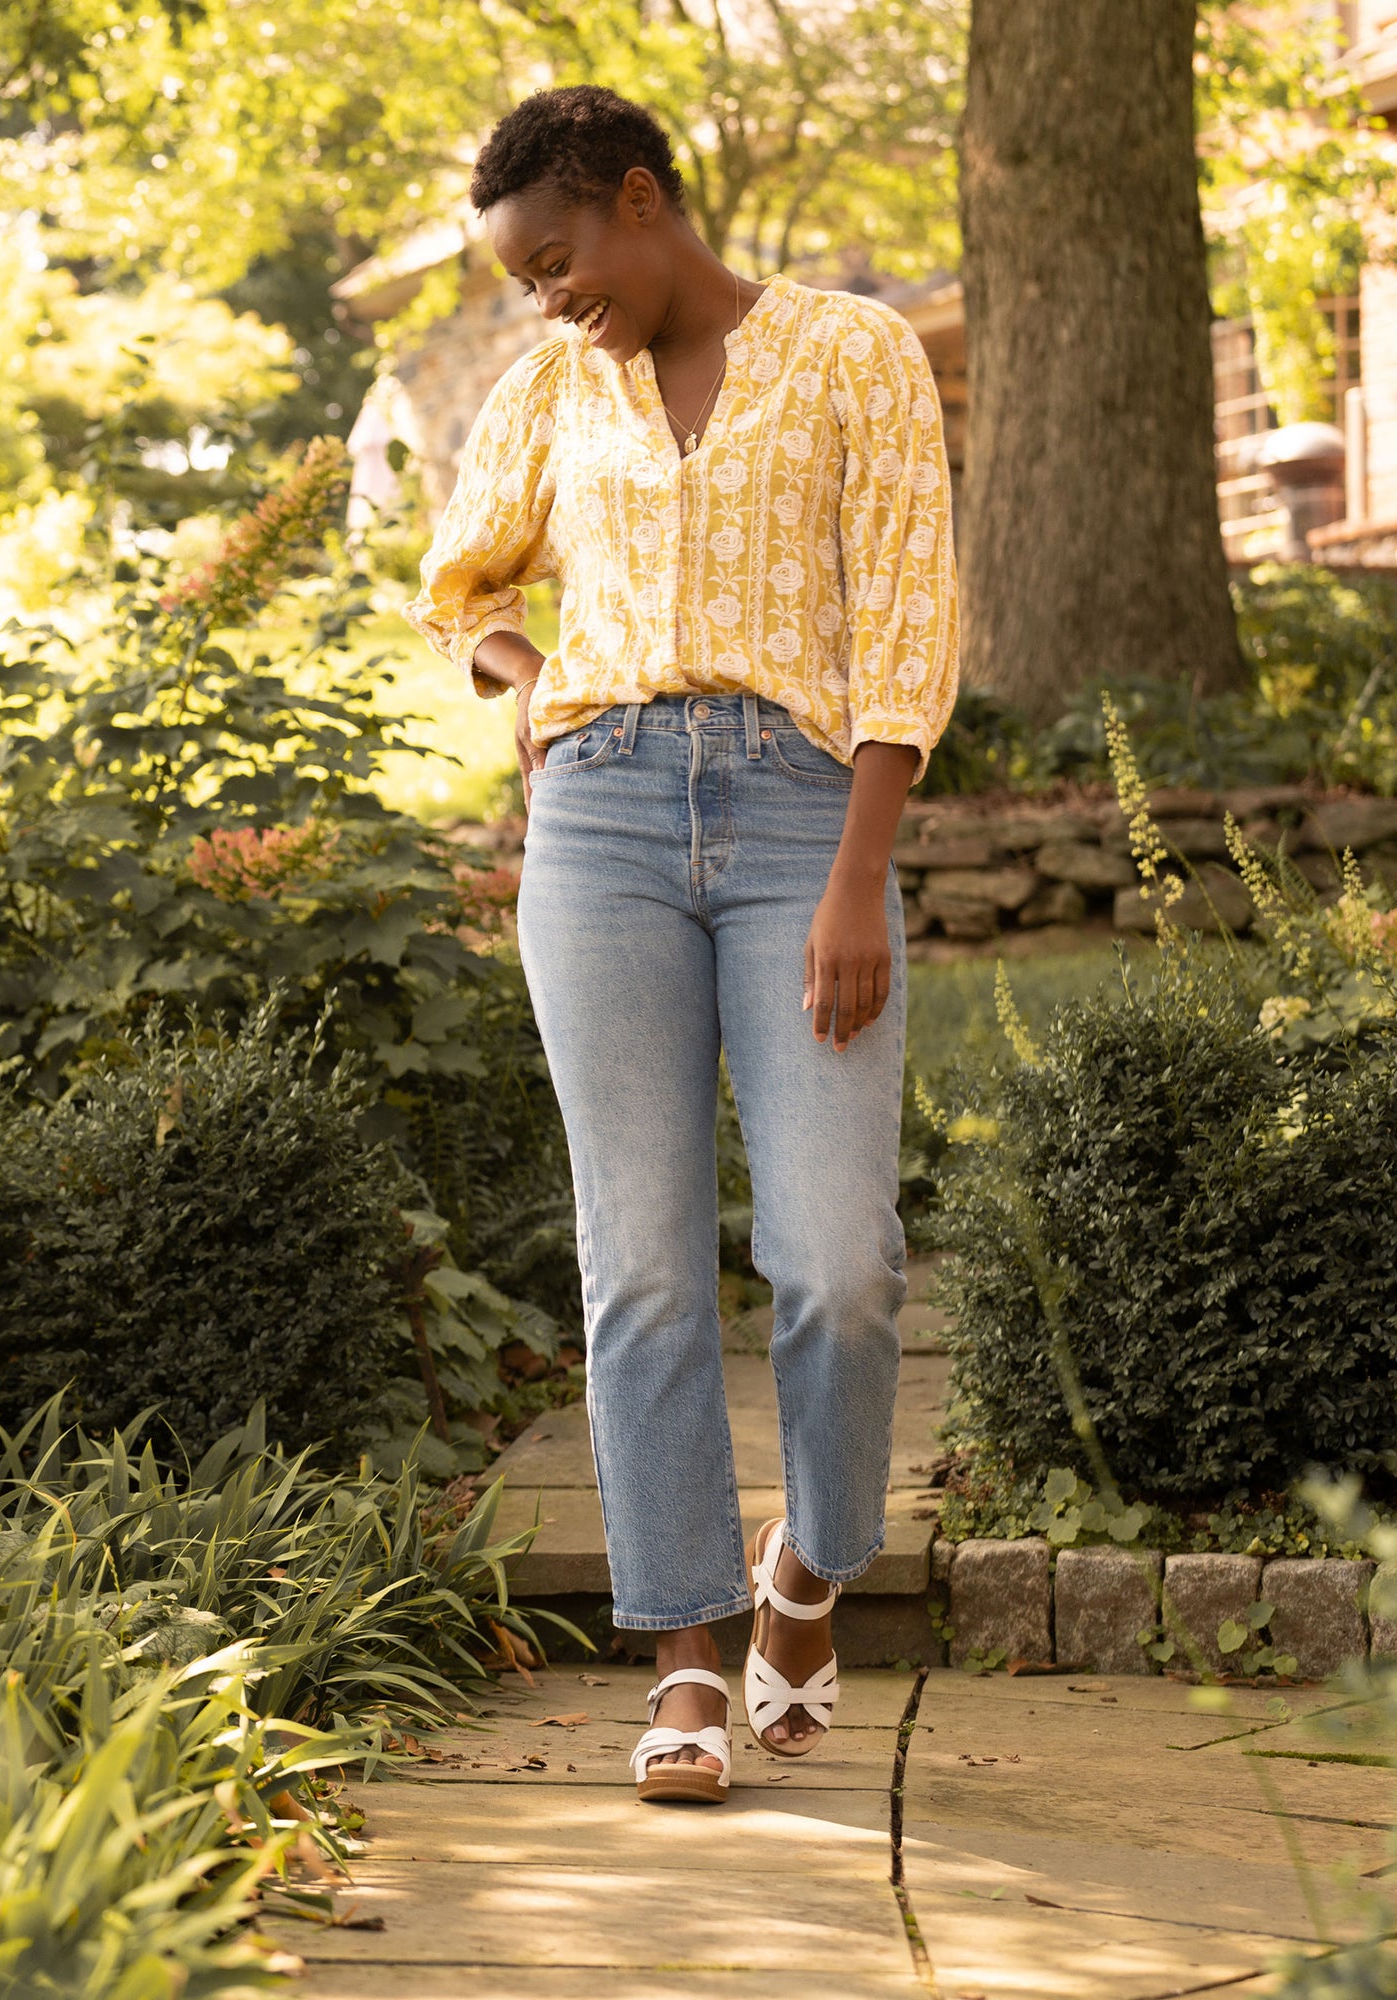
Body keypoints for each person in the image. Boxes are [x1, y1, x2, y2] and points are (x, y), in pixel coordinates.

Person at [404, 85, 957, 1805]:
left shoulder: (859, 353)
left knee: (839, 1265)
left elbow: (911, 625)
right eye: (523, 279)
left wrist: (862, 873)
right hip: (605, 827)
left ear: (641, 202)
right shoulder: (551, 387)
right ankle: (687, 1660)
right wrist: (529, 694)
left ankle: (809, 1575)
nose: (546, 299)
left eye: (557, 262)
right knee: (639, 1265)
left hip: (808, 819)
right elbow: (463, 582)